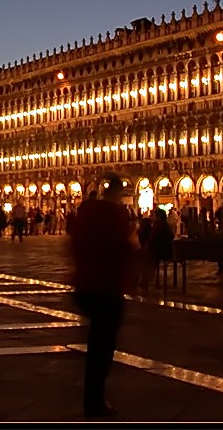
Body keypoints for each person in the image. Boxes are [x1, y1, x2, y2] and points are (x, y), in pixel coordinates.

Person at [69, 173, 139, 418]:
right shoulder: (115, 214)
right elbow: (120, 247)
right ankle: (95, 401)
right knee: (103, 348)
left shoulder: (86, 213)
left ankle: (93, 398)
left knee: (96, 346)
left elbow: (75, 244)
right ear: (119, 192)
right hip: (106, 287)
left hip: (85, 284)